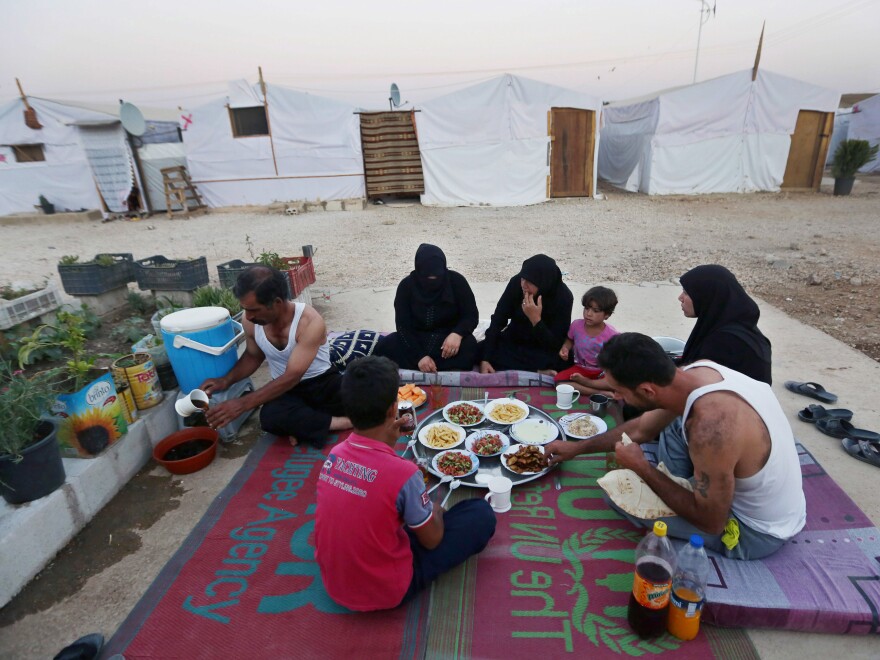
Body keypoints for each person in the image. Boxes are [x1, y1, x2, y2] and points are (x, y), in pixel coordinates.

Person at [546, 333, 805, 560]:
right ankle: (684, 485)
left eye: (619, 392)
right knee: (672, 420)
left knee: (614, 491)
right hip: (749, 486)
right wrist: (576, 448)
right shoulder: (699, 371)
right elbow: (641, 429)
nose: (616, 398)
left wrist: (642, 468)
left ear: (647, 391)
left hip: (755, 530)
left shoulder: (710, 429)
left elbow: (712, 522)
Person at [314, 356, 496, 611]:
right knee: (480, 515)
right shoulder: (404, 473)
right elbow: (432, 540)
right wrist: (436, 512)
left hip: (336, 584)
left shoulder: (334, 456)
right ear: (393, 410)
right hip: (386, 590)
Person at [200, 266, 351, 449]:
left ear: (277, 302)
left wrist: (242, 404)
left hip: (321, 382)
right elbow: (253, 356)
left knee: (366, 398)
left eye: (254, 310)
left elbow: (292, 376)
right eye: (245, 309)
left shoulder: (310, 322)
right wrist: (225, 380)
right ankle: (340, 423)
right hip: (284, 391)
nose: (248, 316)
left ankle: (306, 424)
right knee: (270, 417)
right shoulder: (250, 321)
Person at [374, 244, 479, 373]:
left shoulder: (457, 282)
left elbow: (471, 315)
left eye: (437, 277)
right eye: (427, 277)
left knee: (470, 347)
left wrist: (457, 334)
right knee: (385, 346)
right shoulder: (406, 287)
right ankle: (426, 364)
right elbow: (403, 327)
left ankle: (423, 364)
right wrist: (420, 357)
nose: (433, 281)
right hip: (416, 339)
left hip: (447, 339)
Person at [479, 254, 573, 374]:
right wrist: (485, 359)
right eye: (523, 278)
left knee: (564, 360)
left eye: (529, 281)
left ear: (543, 282)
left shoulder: (563, 297)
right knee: (475, 350)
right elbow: (498, 320)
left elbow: (556, 343)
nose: (524, 284)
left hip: (543, 348)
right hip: (514, 342)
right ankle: (537, 371)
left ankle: (535, 369)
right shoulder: (516, 284)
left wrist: (536, 320)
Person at [678, 264, 772, 384]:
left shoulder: (725, 344)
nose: (680, 298)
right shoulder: (733, 325)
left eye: (686, 293)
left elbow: (694, 386)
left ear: (707, 297)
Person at [555, 286, 619, 395]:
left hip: (601, 373)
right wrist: (565, 348)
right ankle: (598, 392)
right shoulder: (576, 325)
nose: (588, 314)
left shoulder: (613, 335)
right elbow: (570, 340)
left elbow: (615, 362)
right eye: (586, 308)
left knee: (617, 384)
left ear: (607, 315)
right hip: (580, 369)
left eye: (595, 311)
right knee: (558, 381)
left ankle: (586, 384)